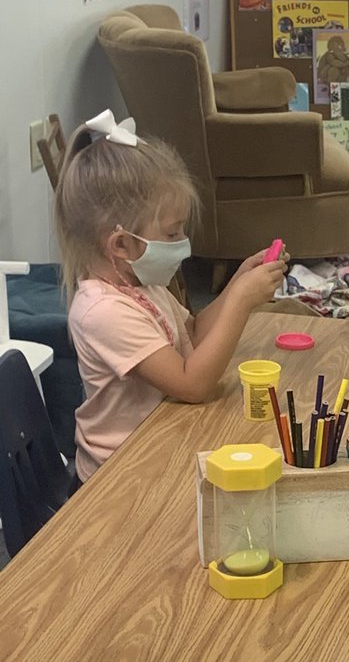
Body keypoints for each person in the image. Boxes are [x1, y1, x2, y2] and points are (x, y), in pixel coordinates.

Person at [56, 112, 287, 483]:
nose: (183, 243)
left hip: (161, 439)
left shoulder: (137, 280)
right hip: (120, 475)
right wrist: (241, 303)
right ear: (121, 244)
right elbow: (192, 384)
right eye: (171, 232)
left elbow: (190, 334)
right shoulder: (103, 311)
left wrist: (236, 286)